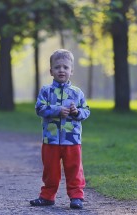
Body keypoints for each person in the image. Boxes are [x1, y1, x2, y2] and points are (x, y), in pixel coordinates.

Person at [30, 49, 90, 209]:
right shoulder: (46, 91)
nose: (61, 70)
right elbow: (39, 109)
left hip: (72, 140)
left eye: (65, 67)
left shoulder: (77, 93)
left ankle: (76, 197)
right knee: (50, 170)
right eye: (57, 67)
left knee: (74, 169)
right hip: (50, 139)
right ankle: (47, 196)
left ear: (71, 71)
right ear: (51, 71)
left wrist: (77, 112)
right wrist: (57, 110)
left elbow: (86, 111)